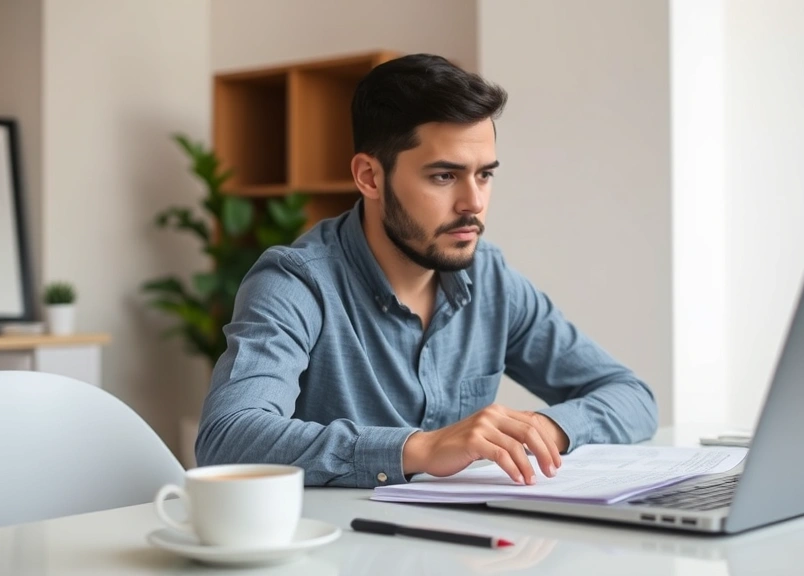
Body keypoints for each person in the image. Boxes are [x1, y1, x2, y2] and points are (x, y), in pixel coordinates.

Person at [195, 53, 658, 489]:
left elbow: (631, 395)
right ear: (370, 177)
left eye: (484, 174)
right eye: (444, 176)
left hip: (464, 547)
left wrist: (543, 428)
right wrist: (419, 448)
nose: (473, 202)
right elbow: (228, 439)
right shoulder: (296, 283)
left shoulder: (491, 280)